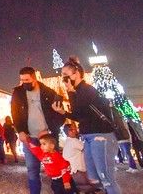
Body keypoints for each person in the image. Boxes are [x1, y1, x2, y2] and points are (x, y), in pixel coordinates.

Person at [52, 57, 122, 194]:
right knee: (94, 178)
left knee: (106, 177)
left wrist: (71, 92)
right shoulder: (77, 91)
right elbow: (80, 116)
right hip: (88, 136)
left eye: (66, 75)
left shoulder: (87, 90)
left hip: (101, 135)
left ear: (76, 74)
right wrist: (63, 112)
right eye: (62, 76)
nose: (63, 79)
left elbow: (79, 110)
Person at [11, 66, 65, 194]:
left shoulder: (49, 93)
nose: (25, 83)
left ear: (34, 78)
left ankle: (62, 190)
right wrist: (20, 131)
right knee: (32, 169)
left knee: (55, 168)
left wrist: (50, 131)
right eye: (22, 80)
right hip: (29, 138)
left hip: (48, 139)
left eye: (27, 80)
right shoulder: (18, 93)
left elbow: (59, 117)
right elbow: (15, 114)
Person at [62, 123, 93, 190]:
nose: (76, 130)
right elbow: (86, 148)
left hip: (74, 170)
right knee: (88, 188)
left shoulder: (67, 142)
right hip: (80, 170)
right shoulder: (74, 141)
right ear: (69, 131)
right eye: (73, 129)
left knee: (84, 188)